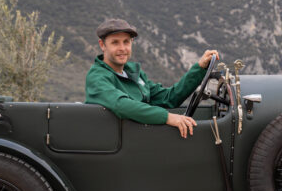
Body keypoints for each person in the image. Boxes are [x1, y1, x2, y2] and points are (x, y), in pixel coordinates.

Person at [85, 18, 219, 138]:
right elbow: (121, 105)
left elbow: (169, 98)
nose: (122, 48)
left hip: (138, 139)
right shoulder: (97, 77)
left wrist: (199, 68)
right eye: (115, 43)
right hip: (115, 144)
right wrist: (167, 117)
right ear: (102, 45)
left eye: (126, 42)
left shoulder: (133, 73)